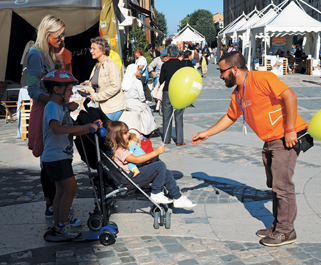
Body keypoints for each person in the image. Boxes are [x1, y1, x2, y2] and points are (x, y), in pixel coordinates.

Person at [191, 52, 308, 247]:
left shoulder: (262, 78)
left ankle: (287, 231)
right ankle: (278, 225)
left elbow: (290, 95)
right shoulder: (238, 92)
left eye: (222, 71)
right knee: (275, 185)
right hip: (269, 141)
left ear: (234, 69)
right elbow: (230, 117)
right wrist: (207, 133)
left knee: (283, 186)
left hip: (283, 139)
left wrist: (290, 130)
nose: (220, 76)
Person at [27, 15, 79, 220]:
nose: (63, 39)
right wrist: (53, 101)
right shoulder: (35, 55)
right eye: (59, 35)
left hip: (52, 106)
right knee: (48, 158)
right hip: (44, 110)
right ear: (47, 34)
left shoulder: (49, 53)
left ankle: (57, 208)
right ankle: (50, 204)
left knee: (55, 156)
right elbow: (32, 88)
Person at [41, 69, 102, 238]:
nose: (72, 92)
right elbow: (56, 128)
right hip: (56, 157)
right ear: (56, 89)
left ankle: (58, 225)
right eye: (69, 89)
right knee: (71, 189)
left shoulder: (60, 107)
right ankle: (62, 225)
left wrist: (89, 125)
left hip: (60, 156)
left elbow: (71, 130)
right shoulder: (53, 107)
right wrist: (83, 127)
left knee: (61, 192)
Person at [106, 120, 197, 207]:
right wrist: (155, 152)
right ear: (118, 136)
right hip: (130, 179)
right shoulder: (119, 151)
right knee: (160, 165)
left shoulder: (120, 149)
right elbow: (137, 160)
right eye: (125, 133)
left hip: (133, 174)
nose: (128, 134)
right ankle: (156, 193)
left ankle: (178, 198)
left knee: (166, 172)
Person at [83, 37, 126, 120]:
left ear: (103, 50)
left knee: (106, 131)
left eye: (94, 49)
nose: (91, 51)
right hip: (102, 107)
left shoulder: (110, 65)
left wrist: (96, 97)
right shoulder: (96, 66)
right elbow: (97, 86)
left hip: (112, 108)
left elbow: (115, 87)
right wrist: (86, 90)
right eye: (91, 48)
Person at [159, 44, 191, 146]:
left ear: (168, 54)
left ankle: (166, 139)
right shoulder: (182, 65)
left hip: (167, 91)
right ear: (178, 53)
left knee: (166, 116)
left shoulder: (165, 65)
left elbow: (161, 80)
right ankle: (179, 140)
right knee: (179, 115)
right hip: (179, 92)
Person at [121, 64, 157, 135]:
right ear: (134, 71)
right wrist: (143, 102)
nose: (140, 71)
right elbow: (141, 95)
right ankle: (148, 131)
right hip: (135, 102)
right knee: (147, 110)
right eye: (138, 70)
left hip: (126, 102)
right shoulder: (137, 82)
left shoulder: (125, 81)